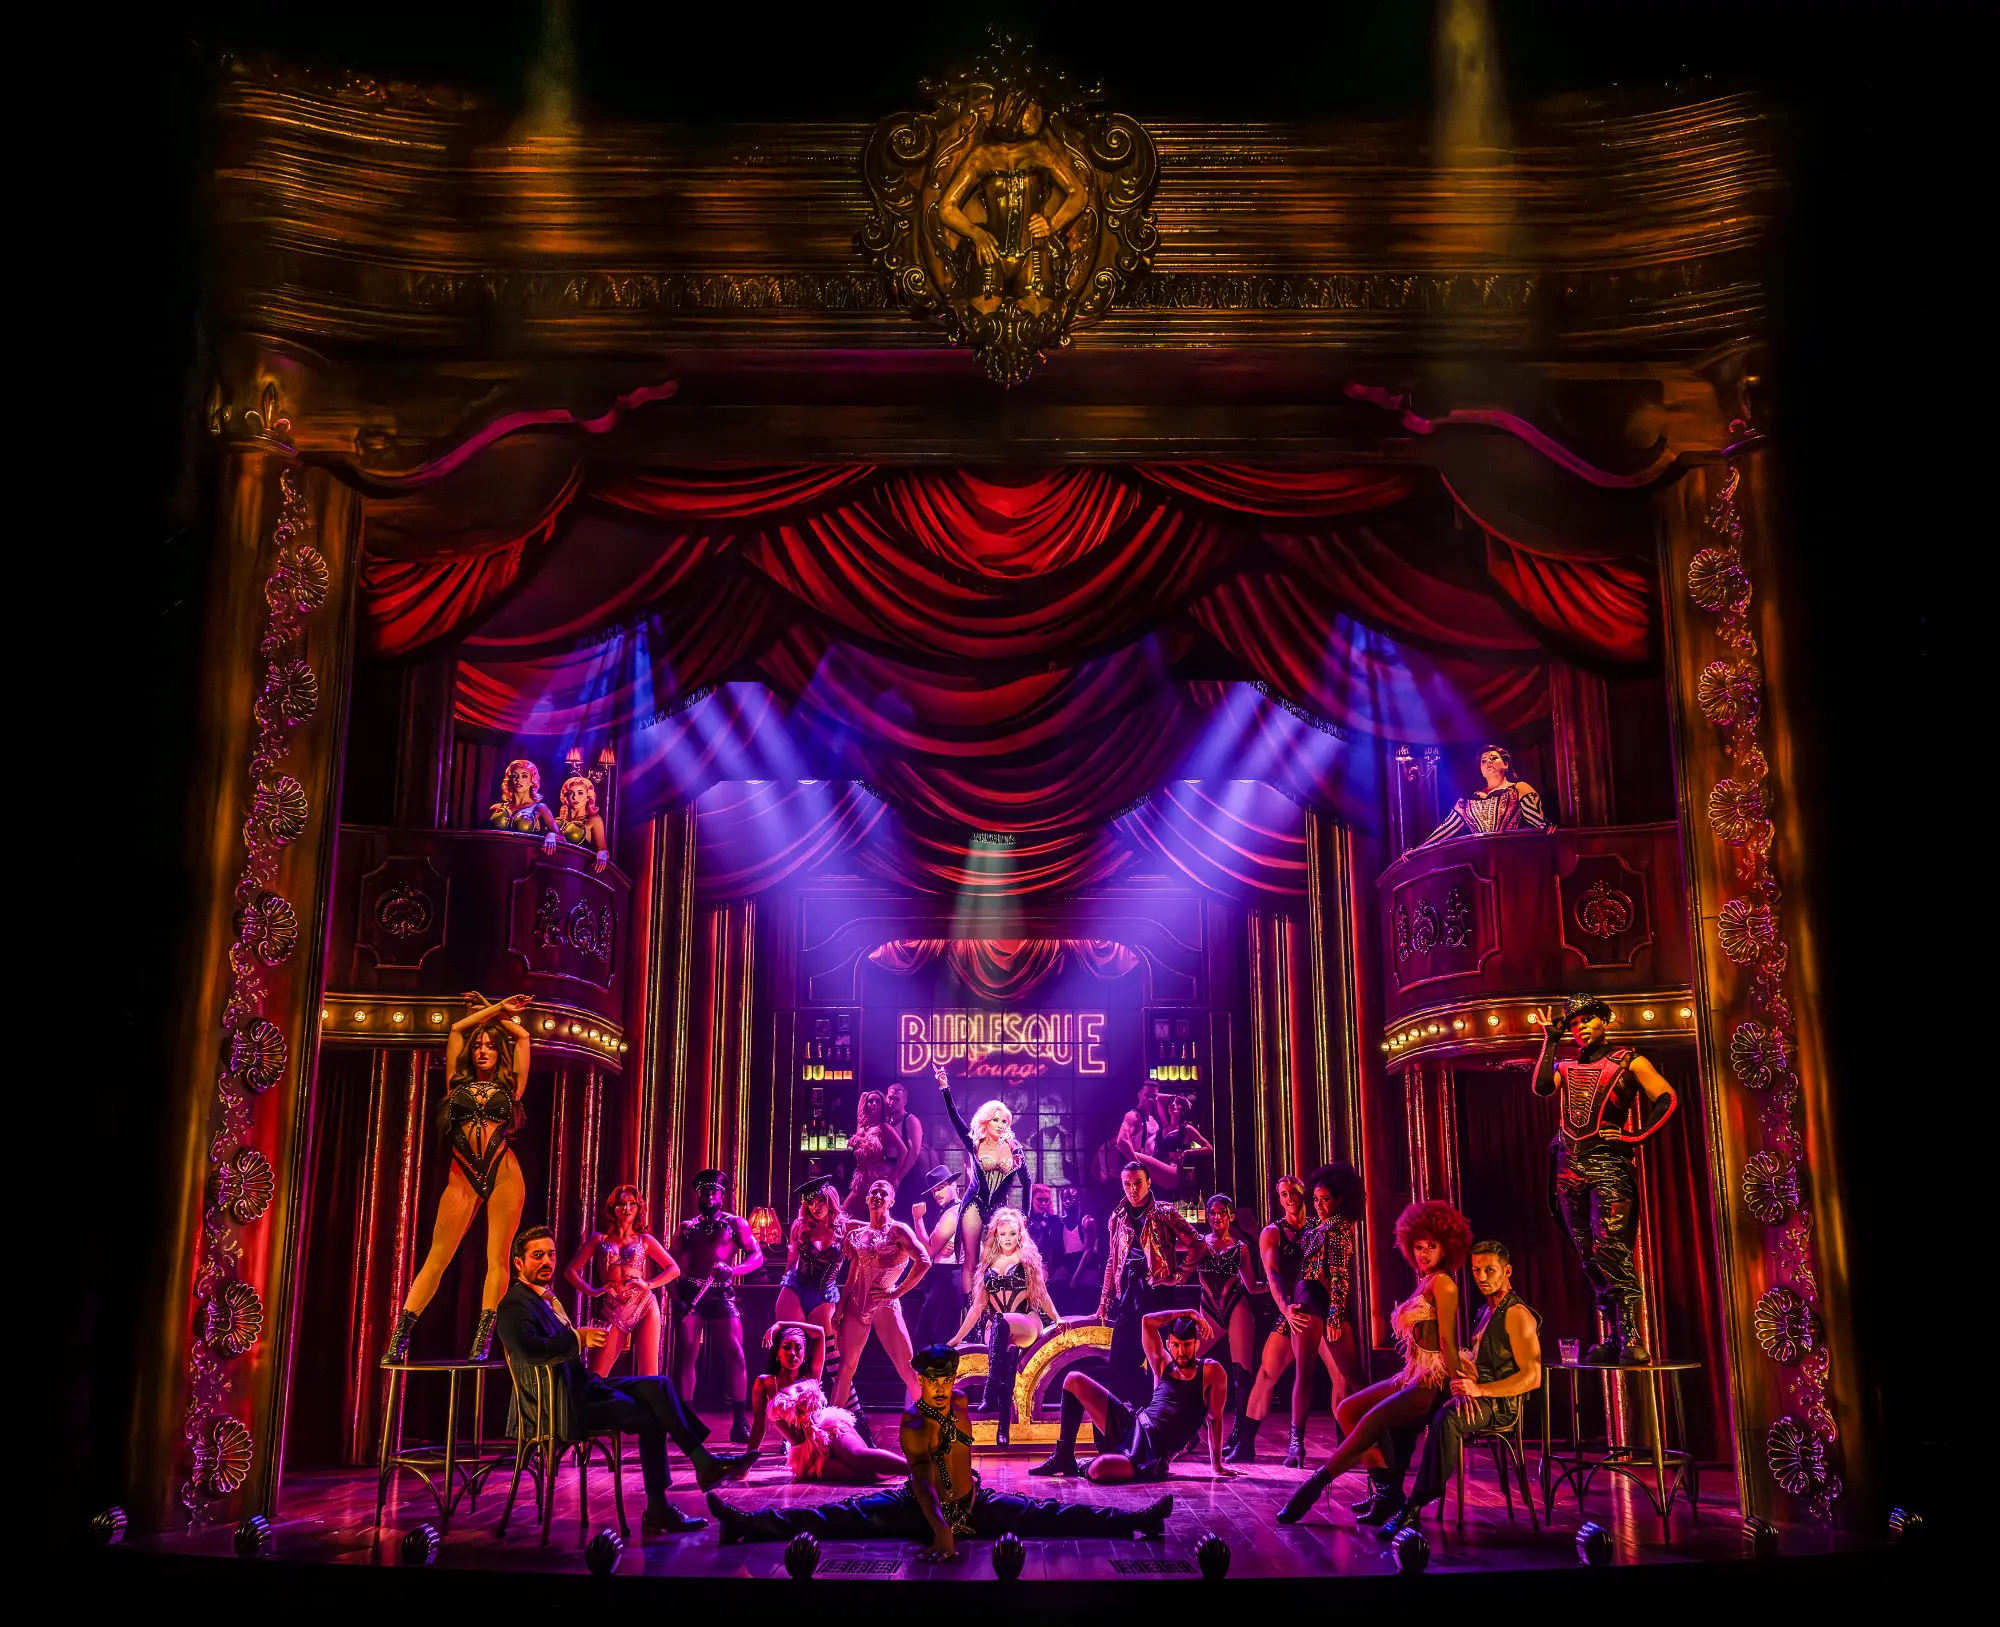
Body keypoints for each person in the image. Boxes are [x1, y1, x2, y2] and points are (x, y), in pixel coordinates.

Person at [708, 1344, 1173, 1558]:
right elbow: (926, 1481)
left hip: (969, 1503)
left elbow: (959, 1462)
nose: (938, 1385)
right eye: (931, 1378)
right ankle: (747, 1523)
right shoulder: (914, 1419)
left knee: (1048, 1513)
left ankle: (1137, 1520)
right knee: (839, 1517)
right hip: (922, 1509)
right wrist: (943, 1532)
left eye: (944, 1378)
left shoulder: (961, 1405)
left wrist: (971, 1498)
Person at [495, 1225, 751, 1536]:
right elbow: (529, 1351)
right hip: (560, 1402)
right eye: (537, 1256)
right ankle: (666, 1501)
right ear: (518, 1263)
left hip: (583, 1386)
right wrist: (577, 1338)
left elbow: (671, 1268)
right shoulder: (514, 1304)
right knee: (651, 1414)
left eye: (550, 1254)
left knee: (658, 1385)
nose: (547, 1261)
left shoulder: (545, 1299)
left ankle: (701, 1463)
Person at [1277, 1199, 1471, 1524]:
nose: (1423, 1253)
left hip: (1432, 1381)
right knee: (1347, 1409)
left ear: (1447, 1247)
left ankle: (1313, 1487)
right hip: (1413, 1373)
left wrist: (1456, 1388)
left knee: (1369, 1422)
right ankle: (1387, 1493)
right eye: (1419, 1246)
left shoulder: (1445, 1284)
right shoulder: (1425, 1280)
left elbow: (1450, 1342)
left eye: (1432, 1247)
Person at [381, 992, 535, 1364]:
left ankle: (483, 1338)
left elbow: (524, 1038)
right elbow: (454, 1029)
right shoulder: (455, 1082)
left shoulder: (512, 1087)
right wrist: (493, 1009)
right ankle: (400, 1337)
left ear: (500, 1054)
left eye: (490, 1047)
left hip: (503, 1173)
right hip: (462, 1175)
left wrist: (495, 1017)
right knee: (437, 1257)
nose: (482, 1050)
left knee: (496, 1258)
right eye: (478, 1046)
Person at [1530, 991, 1678, 1363]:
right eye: (1575, 1021)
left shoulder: (1629, 1060)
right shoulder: (1565, 1066)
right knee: (1588, 1256)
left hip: (1608, 1167)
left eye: (1587, 1019)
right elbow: (1542, 1086)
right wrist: (1550, 1039)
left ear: (1604, 1020)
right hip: (1568, 1167)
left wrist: (1634, 1135)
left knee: (1611, 1249)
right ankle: (1612, 1336)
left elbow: (1667, 1098)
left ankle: (1631, 1336)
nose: (1581, 1026)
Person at [1378, 1240, 1543, 1541]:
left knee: (1448, 1417)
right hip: (1475, 1390)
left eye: (1490, 1270)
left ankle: (1414, 1507)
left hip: (1499, 1403)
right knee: (1409, 1407)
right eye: (1477, 1270)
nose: (1482, 1277)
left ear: (1507, 1271)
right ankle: (1390, 1493)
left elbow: (1532, 1377)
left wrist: (1479, 1390)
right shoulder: (1486, 1310)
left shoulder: (1517, 1314)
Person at [1029, 1310, 1235, 1483]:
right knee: (1073, 1380)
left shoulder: (1210, 1371)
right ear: (1169, 1344)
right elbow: (1148, 1321)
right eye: (1176, 1345)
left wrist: (1216, 1465)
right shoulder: (1163, 1363)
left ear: (1196, 1345)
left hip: (1153, 1454)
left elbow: (1215, 1419)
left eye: (1188, 1345)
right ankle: (1064, 1456)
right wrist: (1186, 1313)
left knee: (1099, 1470)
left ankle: (1087, 1464)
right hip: (1133, 1425)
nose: (1182, 1351)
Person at [1241, 1173, 1353, 1466]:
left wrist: (1336, 1310)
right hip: (1291, 1310)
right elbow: (1273, 1275)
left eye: (1294, 1192)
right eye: (1282, 1194)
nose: (1289, 1197)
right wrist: (1285, 1309)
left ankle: (1343, 1444)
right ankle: (1247, 1444)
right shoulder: (1273, 1232)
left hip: (1321, 1308)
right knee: (1267, 1373)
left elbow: (1337, 1270)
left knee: (1340, 1375)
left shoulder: (1323, 1224)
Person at [947, 1205, 1061, 1446]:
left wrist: (1057, 1318)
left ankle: (989, 1392)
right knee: (1006, 1359)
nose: (1007, 1239)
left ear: (1020, 1234)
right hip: (998, 1330)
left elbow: (1042, 1295)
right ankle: (1003, 1427)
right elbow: (977, 1307)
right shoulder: (988, 1263)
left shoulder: (1028, 1260)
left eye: (1012, 1233)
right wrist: (957, 1338)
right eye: (1003, 1234)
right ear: (996, 1235)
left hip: (1026, 1323)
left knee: (1002, 1323)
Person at [745, 1322, 910, 1484]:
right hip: (807, 1453)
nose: (792, 1353)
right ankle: (915, 1473)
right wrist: (745, 1464)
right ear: (777, 1352)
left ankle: (919, 1471)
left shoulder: (811, 1373)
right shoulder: (765, 1382)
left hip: (830, 1430)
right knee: (866, 1475)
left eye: (798, 1347)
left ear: (804, 1353)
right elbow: (759, 1427)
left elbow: (819, 1333)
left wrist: (781, 1324)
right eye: (786, 1347)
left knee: (857, 1456)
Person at [1098, 1161, 1209, 1404]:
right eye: (1127, 1184)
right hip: (1128, 1295)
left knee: (1162, 1361)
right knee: (1119, 1362)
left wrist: (1179, 1276)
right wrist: (1105, 1299)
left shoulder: (1164, 1212)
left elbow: (1198, 1243)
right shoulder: (1117, 1216)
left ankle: (1169, 1418)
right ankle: (1151, 1411)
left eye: (1138, 1183)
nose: (1132, 1189)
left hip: (1158, 1294)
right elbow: (1112, 1258)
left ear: (1148, 1183)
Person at [670, 1169, 765, 1443]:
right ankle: (686, 1422)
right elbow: (669, 1264)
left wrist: (733, 1270)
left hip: (722, 1293)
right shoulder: (686, 1227)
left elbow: (756, 1256)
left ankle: (739, 1420)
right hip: (691, 1294)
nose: (709, 1195)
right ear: (697, 1194)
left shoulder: (736, 1223)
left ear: (722, 1195)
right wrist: (674, 1296)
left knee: (735, 1353)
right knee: (687, 1354)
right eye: (704, 1191)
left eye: (714, 1191)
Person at [931, 1061, 1030, 1302]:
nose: (1000, 1124)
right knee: (971, 1259)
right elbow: (955, 1120)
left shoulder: (1015, 1150)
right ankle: (970, 1314)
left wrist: (1025, 1216)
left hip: (998, 1208)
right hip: (974, 1203)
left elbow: (1027, 1182)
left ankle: (995, 1309)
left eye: (1004, 1121)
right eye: (995, 1120)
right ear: (986, 1122)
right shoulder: (975, 1143)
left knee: (998, 1260)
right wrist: (945, 1088)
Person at [830, 1179, 930, 1408]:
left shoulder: (898, 1230)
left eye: (883, 1193)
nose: (877, 1195)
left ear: (891, 1201)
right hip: (856, 1304)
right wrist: (840, 1310)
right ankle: (832, 1429)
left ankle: (933, 1423)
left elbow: (924, 1261)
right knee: (846, 1367)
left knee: (907, 1368)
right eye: (873, 1192)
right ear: (867, 1199)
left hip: (885, 1303)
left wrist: (897, 1291)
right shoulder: (858, 1234)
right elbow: (851, 1278)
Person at [563, 1183, 678, 1376]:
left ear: (639, 1207)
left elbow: (673, 1269)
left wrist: (648, 1284)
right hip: (612, 1307)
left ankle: (647, 1406)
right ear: (612, 1208)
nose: (627, 1209)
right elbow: (570, 1271)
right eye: (621, 1204)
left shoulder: (645, 1240)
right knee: (596, 1375)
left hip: (644, 1304)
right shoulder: (599, 1239)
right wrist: (592, 1291)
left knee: (649, 1374)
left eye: (632, 1204)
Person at [1192, 1193, 1261, 1463]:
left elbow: (1252, 1286)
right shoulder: (1198, 1244)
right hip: (1208, 1310)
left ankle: (1241, 1437)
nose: (1216, 1216)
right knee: (1185, 1363)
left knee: (1242, 1374)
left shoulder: (1241, 1248)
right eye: (1212, 1212)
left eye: (1222, 1212)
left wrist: (1281, 1292)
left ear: (1231, 1215)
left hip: (1236, 1306)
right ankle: (1188, 1428)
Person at [773, 1176, 851, 1384]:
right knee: (792, 1346)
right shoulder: (801, 1226)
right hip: (796, 1289)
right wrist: (783, 1285)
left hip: (824, 1294)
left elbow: (877, 1225)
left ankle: (851, 1409)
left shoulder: (846, 1227)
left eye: (820, 1201)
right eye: (811, 1202)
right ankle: (789, 1404)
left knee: (830, 1353)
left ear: (830, 1200)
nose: (816, 1207)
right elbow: (791, 1264)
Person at [1417, 743, 1549, 847]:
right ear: (1481, 770)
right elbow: (1446, 828)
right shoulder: (1467, 801)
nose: (1489, 763)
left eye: (1493, 758)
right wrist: (1419, 849)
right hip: (1480, 862)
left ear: (1506, 764)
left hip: (1512, 854)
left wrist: (1546, 828)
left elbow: (1539, 822)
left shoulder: (1519, 788)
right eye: (1484, 761)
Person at [909, 1166, 965, 1350]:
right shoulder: (956, 1209)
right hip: (946, 1278)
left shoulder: (952, 1213)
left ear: (954, 1185)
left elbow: (927, 1251)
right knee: (936, 1338)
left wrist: (917, 1219)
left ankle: (933, 1378)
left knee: (934, 1342)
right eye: (934, 1191)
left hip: (946, 1280)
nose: (937, 1194)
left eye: (941, 1187)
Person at [845, 1090, 908, 1213]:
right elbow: (863, 1095)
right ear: (866, 1105)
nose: (874, 1104)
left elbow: (903, 1151)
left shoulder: (884, 1127)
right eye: (871, 1101)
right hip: (861, 1175)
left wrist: (895, 1175)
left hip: (877, 1175)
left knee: (876, 1212)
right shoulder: (862, 1126)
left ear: (882, 1106)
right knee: (848, 1211)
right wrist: (869, 1095)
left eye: (878, 1101)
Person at [487, 758, 558, 840]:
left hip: (526, 852)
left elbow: (561, 838)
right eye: (514, 776)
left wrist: (551, 835)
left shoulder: (540, 808)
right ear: (509, 780)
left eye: (524, 776)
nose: (518, 779)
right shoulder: (497, 808)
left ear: (532, 781)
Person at [884, 1081, 927, 1209]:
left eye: (897, 1099)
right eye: (890, 1098)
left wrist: (898, 1177)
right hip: (889, 1169)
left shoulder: (911, 1120)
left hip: (909, 1171)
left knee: (905, 1212)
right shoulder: (885, 1121)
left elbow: (914, 1152)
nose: (892, 1102)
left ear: (904, 1101)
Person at [555, 774, 609, 870]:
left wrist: (602, 854)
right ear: (566, 796)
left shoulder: (593, 820)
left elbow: (603, 850)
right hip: (557, 867)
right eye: (570, 793)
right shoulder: (558, 821)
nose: (575, 797)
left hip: (580, 871)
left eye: (580, 793)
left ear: (588, 796)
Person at [1026, 1183, 1066, 1267]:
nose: (1043, 1203)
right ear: (1031, 1199)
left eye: (1046, 1200)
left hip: (1051, 1265)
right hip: (1028, 1264)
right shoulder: (1024, 1220)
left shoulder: (1055, 1220)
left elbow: (1059, 1247)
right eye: (1039, 1199)